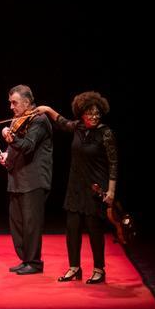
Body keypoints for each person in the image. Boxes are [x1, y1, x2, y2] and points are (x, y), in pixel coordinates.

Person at [36, 91, 116, 284]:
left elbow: (114, 163)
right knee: (72, 229)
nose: (94, 116)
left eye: (97, 113)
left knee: (94, 229)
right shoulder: (78, 127)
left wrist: (111, 191)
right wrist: (46, 109)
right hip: (75, 186)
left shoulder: (105, 133)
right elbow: (62, 121)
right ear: (82, 114)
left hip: (96, 187)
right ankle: (74, 267)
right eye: (90, 113)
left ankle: (99, 269)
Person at [0, 85, 53, 275]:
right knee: (18, 224)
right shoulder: (18, 120)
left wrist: (9, 138)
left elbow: (28, 146)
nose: (11, 107)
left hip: (33, 180)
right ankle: (26, 259)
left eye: (14, 102)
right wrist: (7, 156)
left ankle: (35, 263)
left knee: (31, 224)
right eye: (10, 103)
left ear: (27, 102)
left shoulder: (39, 120)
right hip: (16, 179)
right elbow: (16, 149)